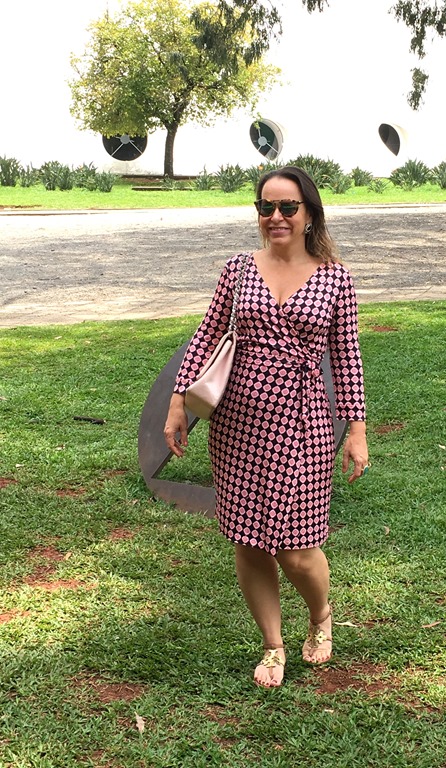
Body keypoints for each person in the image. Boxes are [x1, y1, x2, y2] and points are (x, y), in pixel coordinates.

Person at [163, 166, 368, 688]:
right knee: (249, 541)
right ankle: (273, 645)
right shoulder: (238, 270)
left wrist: (357, 430)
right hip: (238, 424)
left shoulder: (335, 278)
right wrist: (178, 401)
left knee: (297, 548)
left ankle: (320, 614)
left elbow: (346, 358)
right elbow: (207, 335)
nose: (275, 216)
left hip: (304, 424)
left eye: (287, 207)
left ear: (309, 214)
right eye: (265, 206)